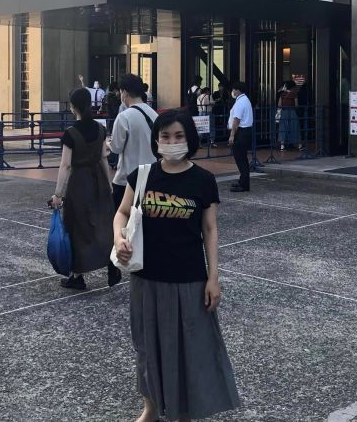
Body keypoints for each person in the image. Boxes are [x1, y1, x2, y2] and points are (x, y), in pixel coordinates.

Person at [114, 110, 240, 422]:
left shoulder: (203, 180)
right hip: (146, 277)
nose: (172, 142)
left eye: (179, 136)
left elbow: (210, 229)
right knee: (147, 347)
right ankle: (151, 408)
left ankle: (184, 411)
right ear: (156, 140)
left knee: (189, 349)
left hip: (189, 279)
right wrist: (118, 237)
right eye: (166, 136)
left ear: (190, 139)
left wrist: (213, 277)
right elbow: (122, 212)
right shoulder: (142, 176)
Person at [49, 88, 119, 290]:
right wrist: (108, 184)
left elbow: (65, 165)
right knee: (103, 224)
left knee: (77, 227)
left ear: (73, 108)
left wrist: (58, 194)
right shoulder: (100, 129)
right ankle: (111, 262)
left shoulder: (71, 133)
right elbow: (103, 158)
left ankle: (77, 275)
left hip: (79, 183)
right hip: (99, 179)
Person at [107, 73, 158, 210]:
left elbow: (116, 148)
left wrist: (107, 143)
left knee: (123, 218)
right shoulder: (154, 115)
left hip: (127, 180)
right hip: (151, 177)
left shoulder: (124, 117)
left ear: (124, 92)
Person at [227, 81, 253, 193]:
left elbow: (236, 119)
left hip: (241, 132)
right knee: (242, 158)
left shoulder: (241, 102)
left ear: (237, 90)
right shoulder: (244, 100)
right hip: (245, 131)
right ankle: (243, 181)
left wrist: (232, 135)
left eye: (234, 89)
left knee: (240, 158)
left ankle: (244, 184)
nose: (232, 91)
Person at [276, 79, 302, 151]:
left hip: (284, 112)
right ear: (292, 87)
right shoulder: (294, 95)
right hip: (292, 112)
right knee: (295, 127)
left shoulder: (282, 94)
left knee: (283, 128)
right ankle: (299, 145)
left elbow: (279, 104)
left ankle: (282, 145)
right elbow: (296, 105)